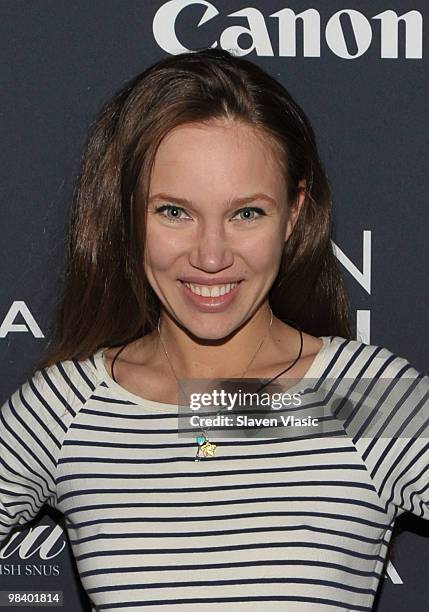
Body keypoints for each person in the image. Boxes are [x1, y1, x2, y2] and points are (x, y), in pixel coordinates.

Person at [0, 48, 427, 612]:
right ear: (127, 213)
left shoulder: (368, 397)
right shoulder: (65, 409)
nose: (210, 256)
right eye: (174, 211)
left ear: (294, 213)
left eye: (246, 213)